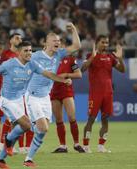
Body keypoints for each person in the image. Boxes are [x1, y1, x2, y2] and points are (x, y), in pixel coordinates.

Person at [0, 41, 71, 169]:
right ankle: (8, 140)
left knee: (22, 128)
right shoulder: (9, 64)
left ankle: (0, 159)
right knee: (27, 124)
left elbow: (48, 74)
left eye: (30, 50)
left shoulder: (32, 64)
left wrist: (63, 80)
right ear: (19, 52)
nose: (29, 53)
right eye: (26, 50)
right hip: (7, 101)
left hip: (19, 100)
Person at [24, 22, 81, 167]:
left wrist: (73, 29)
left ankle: (28, 159)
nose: (58, 42)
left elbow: (76, 46)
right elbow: (48, 74)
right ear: (46, 43)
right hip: (33, 95)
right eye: (54, 40)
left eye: (59, 41)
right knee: (42, 127)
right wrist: (63, 80)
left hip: (45, 97)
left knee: (44, 129)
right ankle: (22, 126)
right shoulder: (36, 56)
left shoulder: (59, 54)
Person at [81, 35, 126, 153]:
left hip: (108, 93)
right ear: (97, 43)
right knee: (91, 119)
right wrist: (92, 57)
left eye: (107, 43)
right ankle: (86, 146)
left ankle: (101, 146)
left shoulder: (111, 57)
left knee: (105, 119)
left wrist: (120, 59)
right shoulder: (89, 56)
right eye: (103, 42)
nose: (105, 45)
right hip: (95, 93)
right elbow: (82, 69)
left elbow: (122, 70)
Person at [0, 33, 31, 153]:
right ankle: (3, 143)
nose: (20, 39)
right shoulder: (5, 55)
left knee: (15, 120)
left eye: (21, 37)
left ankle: (11, 145)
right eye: (17, 37)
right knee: (15, 119)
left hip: (21, 92)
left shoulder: (23, 55)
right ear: (10, 40)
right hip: (8, 93)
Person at [50, 52, 84, 153]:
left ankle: (76, 144)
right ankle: (63, 146)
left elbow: (79, 74)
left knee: (71, 117)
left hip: (66, 90)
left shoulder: (70, 59)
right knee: (58, 120)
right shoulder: (50, 59)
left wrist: (67, 75)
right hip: (54, 91)